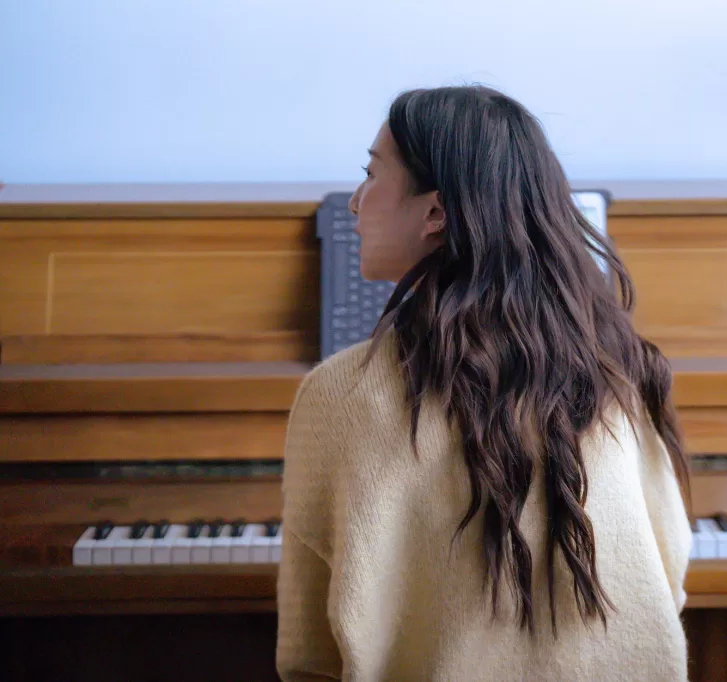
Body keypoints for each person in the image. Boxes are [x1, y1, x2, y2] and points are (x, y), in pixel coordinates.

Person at [276, 85, 693, 681]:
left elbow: (309, 653)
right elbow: (667, 581)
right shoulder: (617, 369)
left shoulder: (339, 394)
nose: (354, 204)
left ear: (436, 213)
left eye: (371, 175)